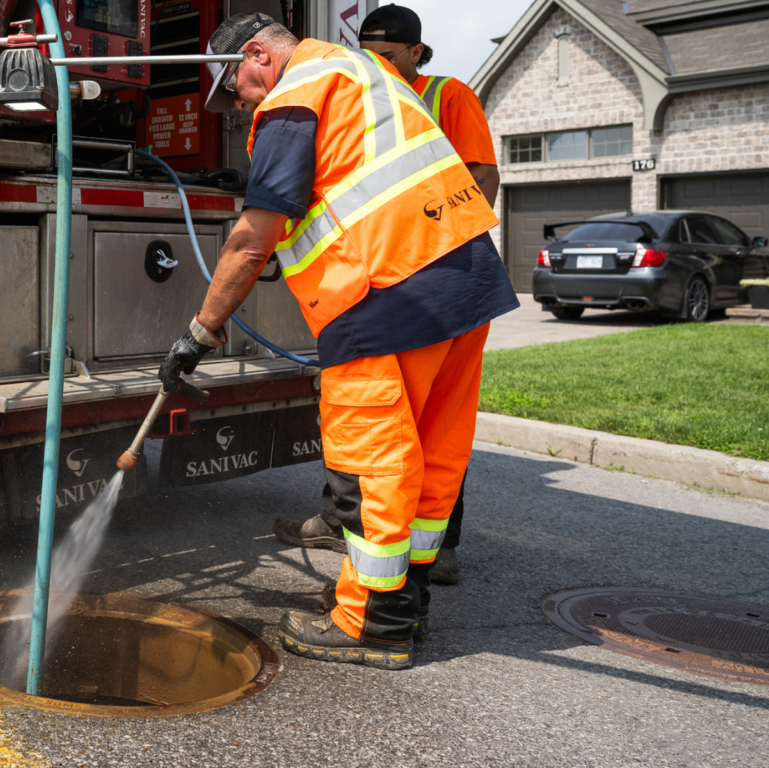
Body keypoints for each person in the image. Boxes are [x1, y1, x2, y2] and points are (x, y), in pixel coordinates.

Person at [160, 13, 517, 669]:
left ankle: (371, 624)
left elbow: (251, 239)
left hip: (386, 291)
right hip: (463, 278)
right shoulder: (361, 72)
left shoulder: (297, 94)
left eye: (233, 88)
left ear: (257, 55)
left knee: (370, 458)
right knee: (433, 452)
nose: (237, 105)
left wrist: (199, 333)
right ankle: (406, 603)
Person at [273, 4, 500, 586]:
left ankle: (432, 551)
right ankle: (343, 525)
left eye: (391, 56)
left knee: (422, 429)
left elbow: (482, 177)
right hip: (375, 279)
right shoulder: (359, 89)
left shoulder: (447, 95)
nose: (379, 64)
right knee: (373, 424)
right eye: (369, 54)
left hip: (427, 276)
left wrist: (439, 250)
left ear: (417, 53)